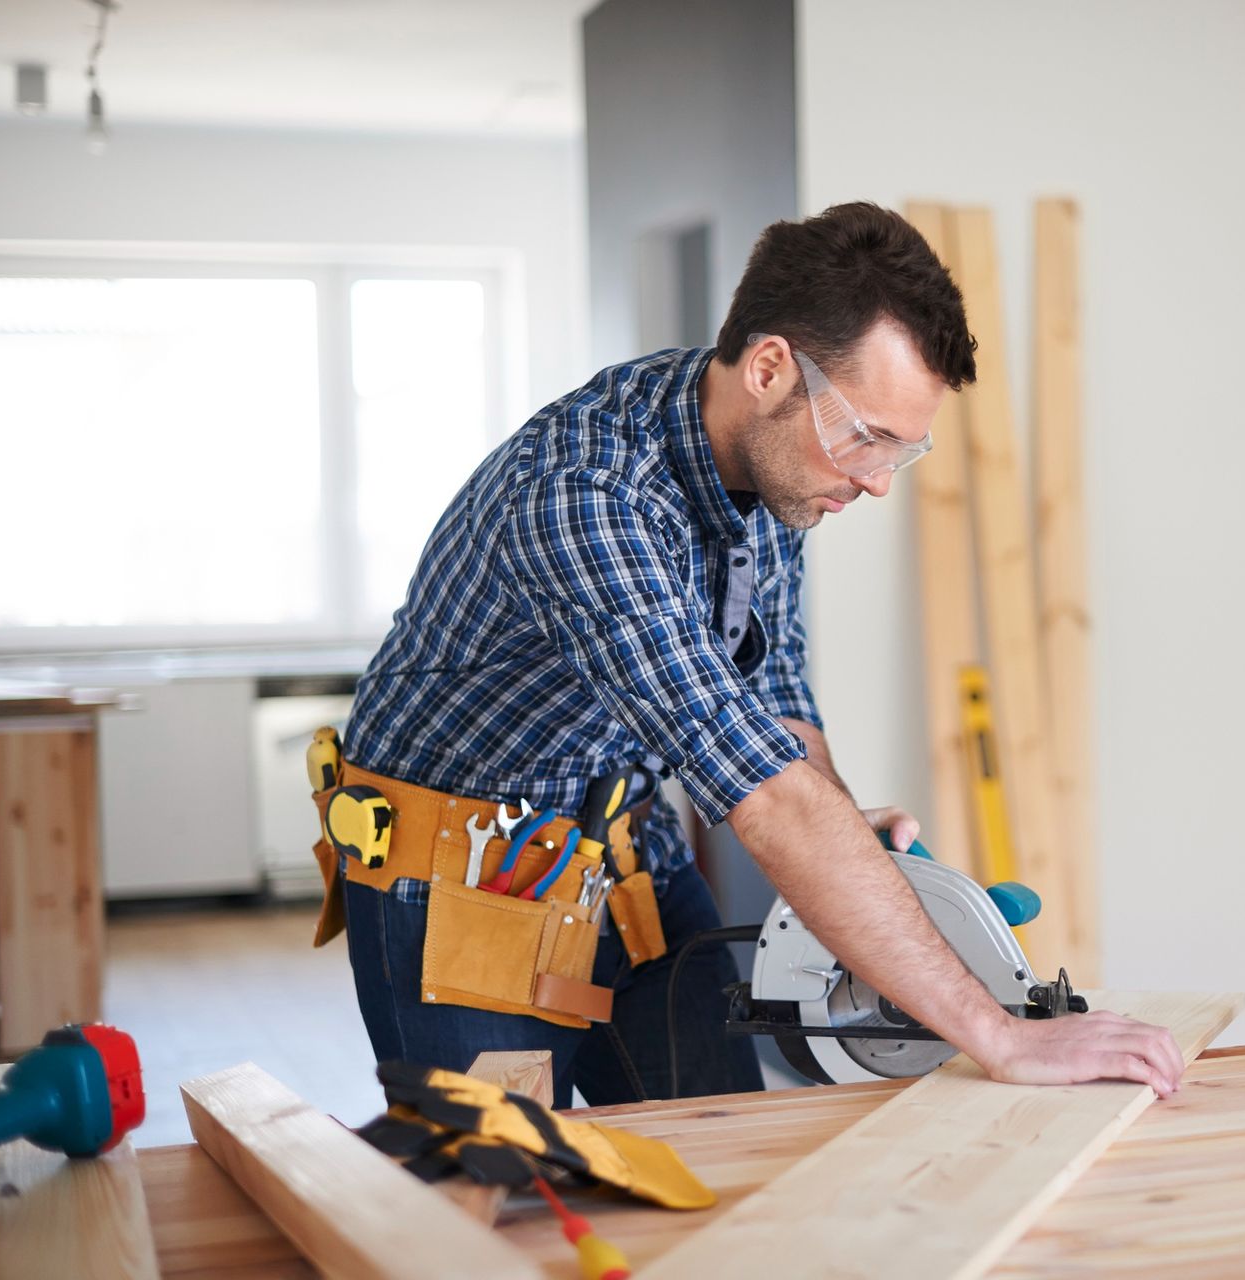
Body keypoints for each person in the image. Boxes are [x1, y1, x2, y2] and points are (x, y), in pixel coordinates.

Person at [325, 202, 1184, 1107]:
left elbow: (778, 715)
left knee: (719, 1155)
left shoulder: (775, 476)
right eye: (868, 436)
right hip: (461, 884)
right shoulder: (583, 496)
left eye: (907, 448)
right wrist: (999, 1036)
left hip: (618, 851)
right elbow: (763, 794)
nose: (879, 480)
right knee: (492, 1200)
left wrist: (865, 855)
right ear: (771, 367)